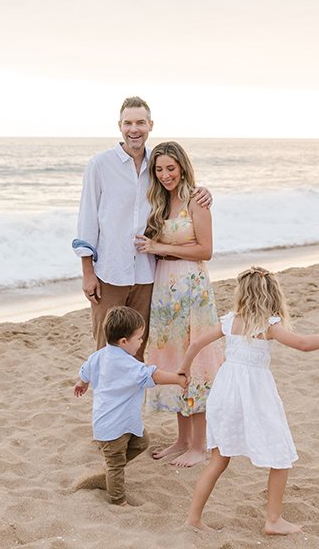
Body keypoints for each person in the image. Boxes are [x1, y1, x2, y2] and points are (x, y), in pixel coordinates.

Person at [177, 266, 319, 535]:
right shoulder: (268, 325)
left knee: (218, 460)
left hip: (225, 394)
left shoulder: (229, 321)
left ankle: (193, 518)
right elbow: (302, 344)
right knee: (280, 455)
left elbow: (195, 344)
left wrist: (184, 370)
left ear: (242, 293)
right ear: (272, 295)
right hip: (256, 396)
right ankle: (273, 520)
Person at [73, 96, 211, 361]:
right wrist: (87, 273)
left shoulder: (156, 166)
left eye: (140, 123)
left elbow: (177, 191)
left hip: (147, 275)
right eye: (128, 123)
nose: (133, 129)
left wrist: (203, 191)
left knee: (137, 349)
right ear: (119, 126)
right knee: (106, 350)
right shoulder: (100, 165)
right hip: (110, 273)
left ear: (150, 125)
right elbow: (87, 219)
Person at [134, 142, 223, 467]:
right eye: (159, 169)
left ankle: (199, 445)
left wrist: (159, 247)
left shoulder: (196, 200)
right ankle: (182, 440)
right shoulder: (158, 202)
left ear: (182, 167)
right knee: (173, 359)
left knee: (195, 359)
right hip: (164, 288)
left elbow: (205, 250)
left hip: (191, 287)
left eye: (170, 168)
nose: (165, 175)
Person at [73, 306, 187, 506]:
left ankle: (108, 468)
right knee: (116, 466)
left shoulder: (99, 355)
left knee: (142, 442)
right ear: (124, 341)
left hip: (122, 422)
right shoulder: (128, 365)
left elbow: (85, 371)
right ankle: (118, 501)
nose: (141, 342)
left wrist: (82, 383)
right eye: (139, 338)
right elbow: (152, 375)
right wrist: (177, 379)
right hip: (112, 428)